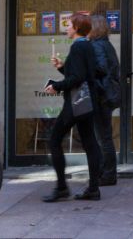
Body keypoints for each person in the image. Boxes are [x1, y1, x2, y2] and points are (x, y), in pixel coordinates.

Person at [41, 11, 103, 202]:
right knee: (90, 143)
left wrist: (56, 86)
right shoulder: (88, 46)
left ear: (76, 28)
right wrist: (61, 67)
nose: (66, 28)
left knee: (54, 140)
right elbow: (89, 72)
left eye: (69, 25)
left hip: (75, 103)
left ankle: (61, 188)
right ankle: (93, 189)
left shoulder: (77, 48)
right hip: (87, 101)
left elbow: (77, 78)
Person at [87, 13, 121, 185]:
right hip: (106, 96)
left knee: (103, 137)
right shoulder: (105, 44)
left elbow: (101, 70)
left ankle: (108, 175)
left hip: (102, 97)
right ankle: (106, 173)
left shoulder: (97, 46)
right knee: (104, 136)